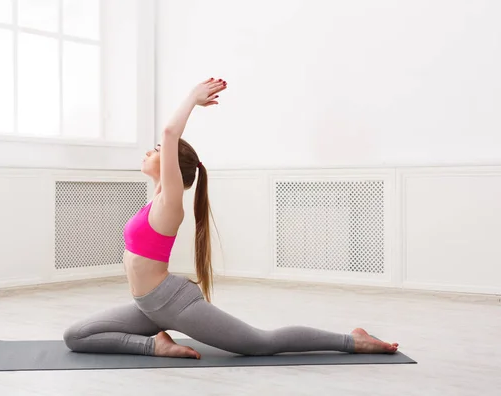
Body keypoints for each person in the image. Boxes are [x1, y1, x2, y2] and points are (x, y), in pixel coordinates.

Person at [63, 78, 399, 358]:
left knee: (259, 343)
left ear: (171, 165)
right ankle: (156, 344)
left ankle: (352, 340)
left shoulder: (170, 203)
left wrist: (192, 100)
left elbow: (169, 134)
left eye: (155, 151)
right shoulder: (154, 199)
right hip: (146, 305)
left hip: (170, 303)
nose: (149, 152)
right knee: (75, 336)